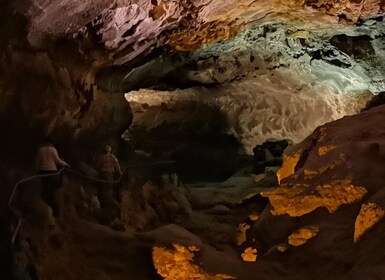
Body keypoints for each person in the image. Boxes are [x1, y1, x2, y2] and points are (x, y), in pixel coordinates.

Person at [36, 138, 70, 216]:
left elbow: (37, 161)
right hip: (52, 171)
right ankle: (55, 211)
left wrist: (36, 170)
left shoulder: (40, 150)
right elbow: (57, 160)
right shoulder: (53, 149)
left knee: (45, 188)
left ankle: (46, 205)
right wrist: (65, 164)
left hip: (43, 171)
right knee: (53, 189)